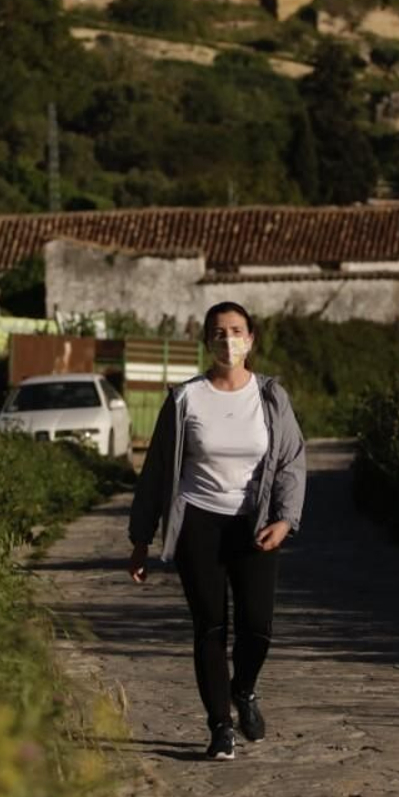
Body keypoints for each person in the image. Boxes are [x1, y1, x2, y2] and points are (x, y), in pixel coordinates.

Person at [127, 301, 307, 760]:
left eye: (237, 330)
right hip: (198, 522)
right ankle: (220, 727)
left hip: (255, 522)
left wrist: (285, 519)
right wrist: (140, 539)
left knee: (257, 627)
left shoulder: (271, 397)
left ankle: (243, 689)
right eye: (219, 332)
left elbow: (291, 462)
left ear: (251, 338)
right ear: (207, 341)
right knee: (210, 627)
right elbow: (156, 471)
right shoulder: (185, 399)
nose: (229, 340)